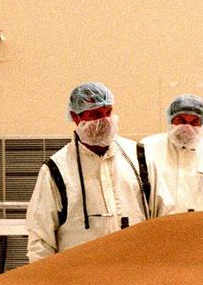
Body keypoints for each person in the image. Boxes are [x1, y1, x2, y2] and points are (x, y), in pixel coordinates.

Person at [26, 82, 168, 262]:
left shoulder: (139, 158)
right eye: (95, 114)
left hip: (135, 271)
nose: (105, 120)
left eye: (108, 112)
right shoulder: (57, 169)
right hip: (80, 276)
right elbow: (41, 237)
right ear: (75, 117)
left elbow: (165, 217)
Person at [140, 94, 203, 215]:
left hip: (202, 228)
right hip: (160, 228)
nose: (187, 127)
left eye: (194, 122)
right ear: (170, 120)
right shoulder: (147, 149)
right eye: (181, 120)